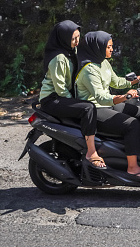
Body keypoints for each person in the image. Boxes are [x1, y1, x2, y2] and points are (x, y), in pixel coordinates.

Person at [76, 31, 140, 178]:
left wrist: (138, 79)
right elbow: (101, 98)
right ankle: (132, 167)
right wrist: (125, 97)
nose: (112, 49)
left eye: (112, 46)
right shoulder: (89, 70)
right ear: (98, 47)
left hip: (107, 104)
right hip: (95, 109)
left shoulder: (103, 62)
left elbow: (116, 82)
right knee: (132, 124)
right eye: (109, 46)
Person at [39, 20, 106, 169]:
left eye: (78, 37)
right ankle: (91, 152)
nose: (76, 42)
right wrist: (75, 103)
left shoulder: (71, 52)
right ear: (63, 39)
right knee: (87, 108)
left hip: (62, 96)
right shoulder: (58, 58)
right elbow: (60, 89)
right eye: (73, 39)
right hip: (52, 99)